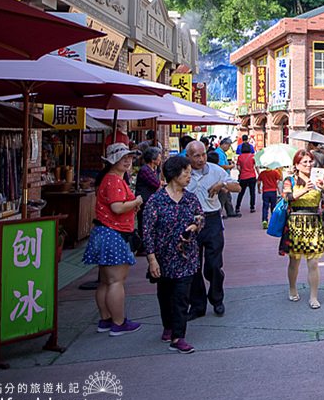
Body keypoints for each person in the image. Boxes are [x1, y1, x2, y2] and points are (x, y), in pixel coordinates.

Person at [142, 155, 204, 354]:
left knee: (181, 297)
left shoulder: (190, 198)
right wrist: (151, 259)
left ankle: (178, 337)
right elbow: (147, 231)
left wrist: (195, 226)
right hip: (163, 256)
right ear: (174, 174)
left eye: (189, 173)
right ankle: (168, 326)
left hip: (187, 256)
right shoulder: (156, 200)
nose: (189, 177)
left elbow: (200, 217)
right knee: (165, 294)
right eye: (185, 173)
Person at [83, 143, 145, 336]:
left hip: (104, 233)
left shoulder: (110, 179)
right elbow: (117, 208)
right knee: (116, 281)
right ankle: (118, 322)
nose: (127, 160)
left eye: (129, 157)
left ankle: (105, 319)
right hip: (114, 233)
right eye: (122, 157)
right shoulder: (114, 181)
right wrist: (136, 202)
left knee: (106, 281)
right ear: (112, 160)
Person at [184, 140, 240, 318]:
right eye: (196, 156)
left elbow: (237, 186)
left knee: (214, 265)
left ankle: (217, 298)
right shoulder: (183, 172)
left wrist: (222, 185)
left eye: (203, 155)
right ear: (188, 157)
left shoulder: (216, 171)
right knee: (193, 266)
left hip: (212, 220)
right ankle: (197, 305)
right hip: (190, 222)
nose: (201, 159)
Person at [279, 150, 324, 309]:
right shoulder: (289, 180)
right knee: (294, 262)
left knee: (314, 263)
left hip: (314, 223)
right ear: (297, 165)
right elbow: (286, 196)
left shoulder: (318, 178)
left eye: (310, 162)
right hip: (295, 223)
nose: (309, 165)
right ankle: (292, 288)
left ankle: (313, 296)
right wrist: (304, 190)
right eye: (304, 162)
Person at [235, 143, 258, 214]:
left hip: (243, 176)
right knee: (252, 192)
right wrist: (259, 174)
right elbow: (256, 166)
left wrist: (241, 171)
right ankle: (252, 207)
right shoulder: (253, 156)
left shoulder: (240, 157)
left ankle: (237, 207)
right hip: (252, 175)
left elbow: (238, 167)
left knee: (241, 192)